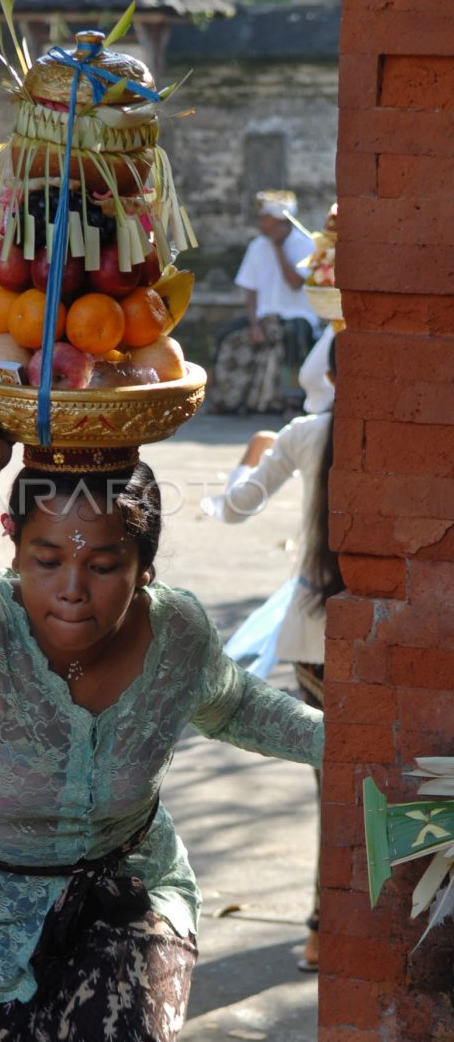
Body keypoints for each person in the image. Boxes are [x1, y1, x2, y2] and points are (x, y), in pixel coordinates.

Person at [0, 358, 324, 1042]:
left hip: (133, 896)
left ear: (145, 567)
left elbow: (234, 706)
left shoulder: (176, 634)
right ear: (12, 546)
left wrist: (352, 743)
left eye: (104, 564)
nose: (72, 589)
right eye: (46, 559)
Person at [205, 335, 341, 970]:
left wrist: (251, 452)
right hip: (375, 631)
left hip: (318, 638)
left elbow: (234, 508)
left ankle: (323, 928)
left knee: (335, 786)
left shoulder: (304, 433)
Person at [208, 190, 318, 415]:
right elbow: (251, 291)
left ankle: (291, 402)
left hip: (298, 315)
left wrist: (278, 248)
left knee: (291, 335)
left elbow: (295, 283)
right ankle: (226, 398)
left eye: (264, 218)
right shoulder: (257, 246)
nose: (260, 222)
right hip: (264, 316)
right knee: (227, 335)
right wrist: (254, 324)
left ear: (279, 221)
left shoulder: (306, 245)